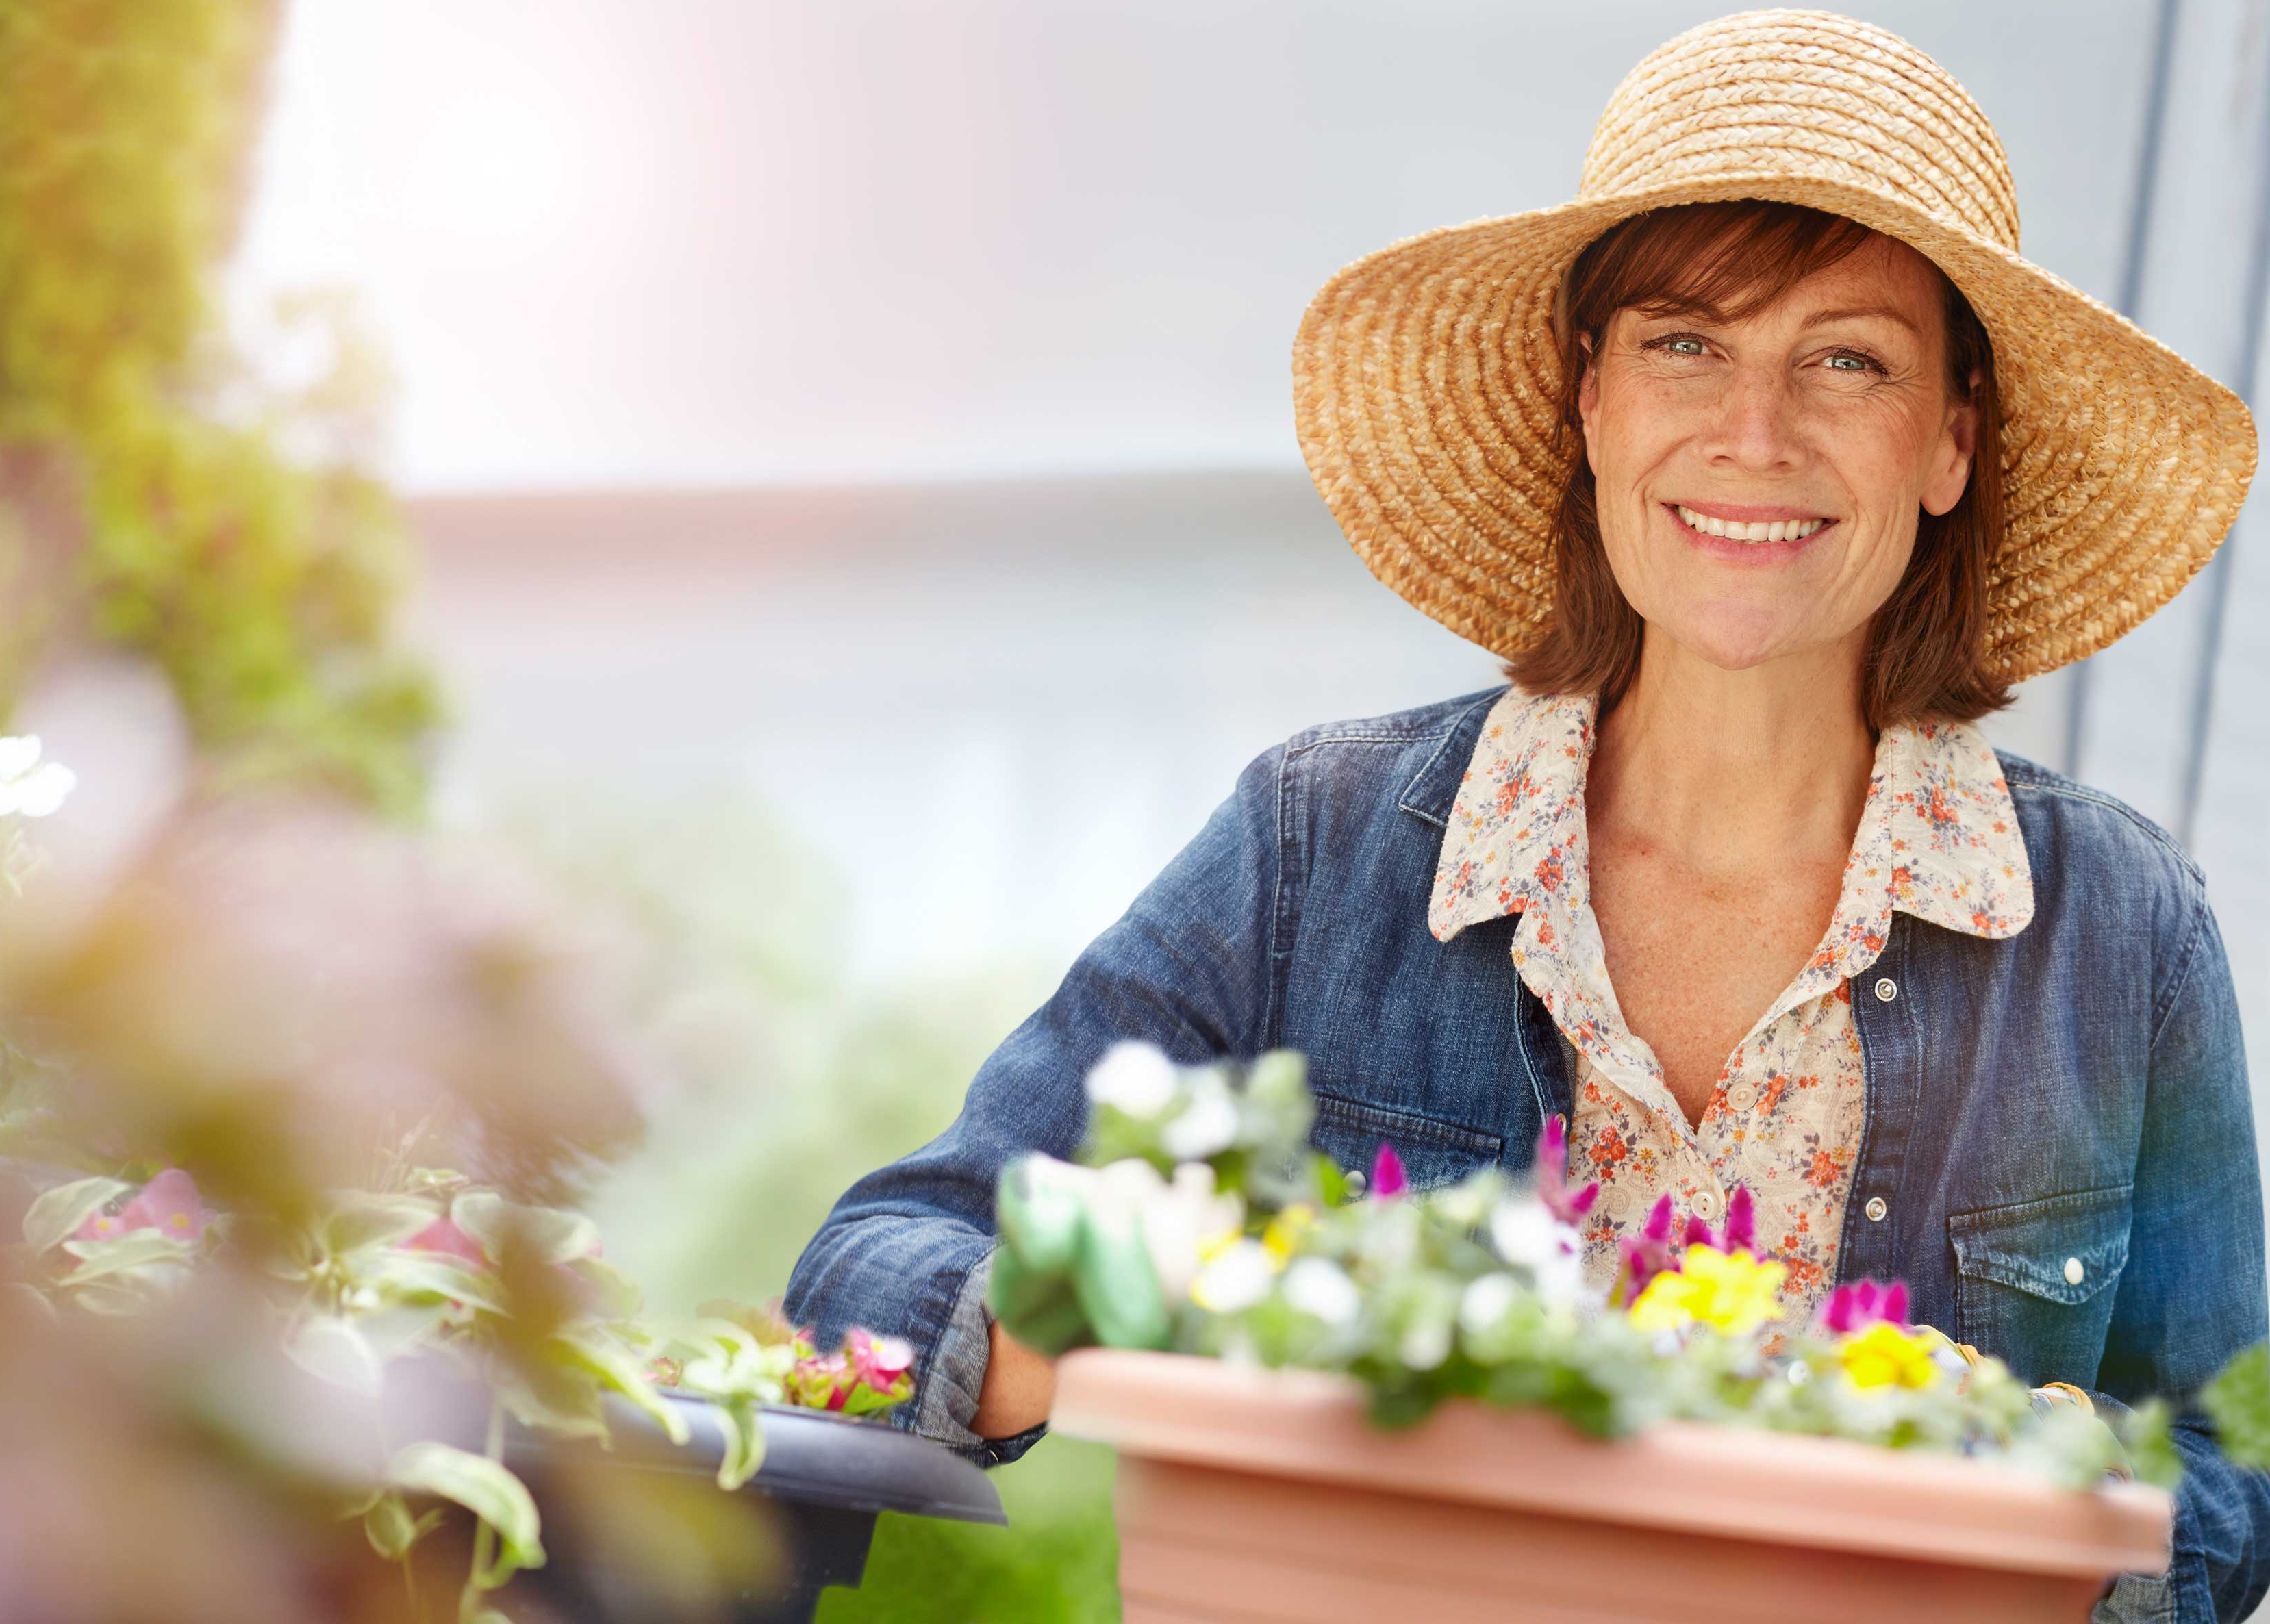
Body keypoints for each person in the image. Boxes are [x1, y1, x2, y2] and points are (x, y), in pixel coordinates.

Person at [785, 10, 2268, 1618]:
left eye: (1847, 358)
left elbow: (2232, 1473)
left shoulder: (2116, 927)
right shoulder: (1322, 847)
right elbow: (864, 1278)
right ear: (1590, 396)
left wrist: (2064, 1508)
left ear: (1953, 439)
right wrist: (1061, 1310)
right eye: (1683, 342)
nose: (1753, 433)